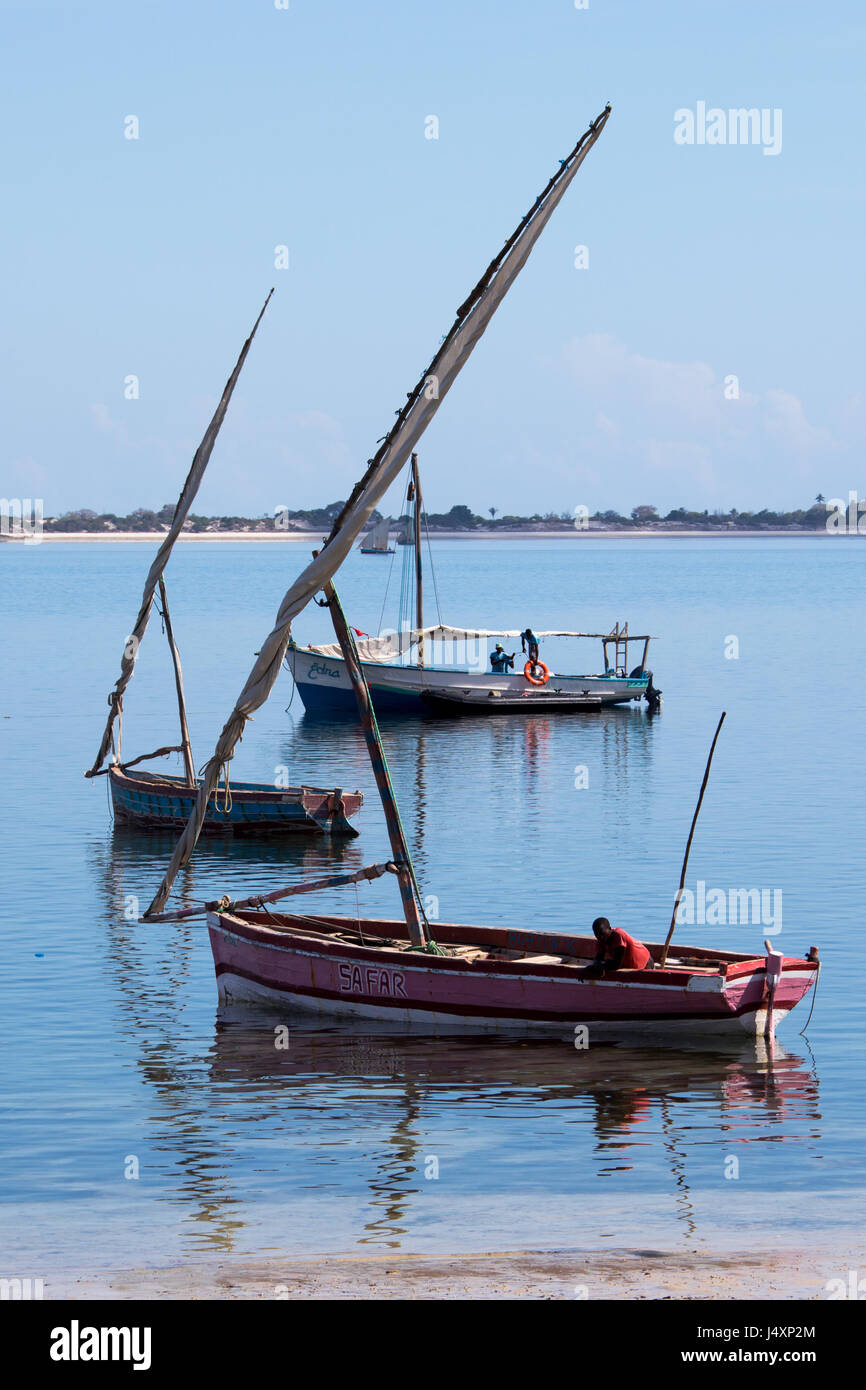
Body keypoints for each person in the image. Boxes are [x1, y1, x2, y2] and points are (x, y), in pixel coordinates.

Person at [582, 917, 651, 976]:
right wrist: (595, 966)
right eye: (596, 934)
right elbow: (598, 958)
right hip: (630, 968)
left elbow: (616, 964)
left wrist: (595, 967)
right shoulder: (601, 940)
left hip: (645, 965)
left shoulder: (619, 935)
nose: (600, 937)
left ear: (609, 929)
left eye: (602, 933)